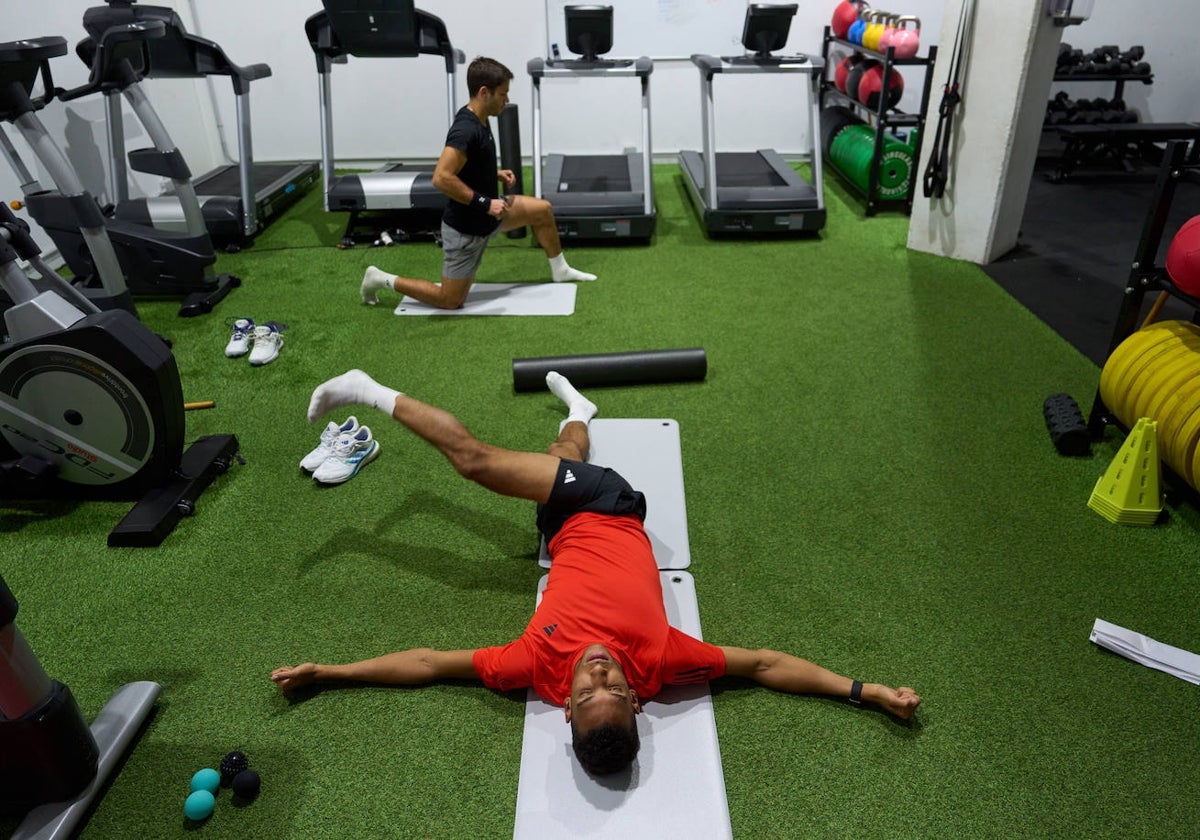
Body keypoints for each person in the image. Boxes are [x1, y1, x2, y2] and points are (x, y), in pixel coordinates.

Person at [271, 369, 921, 776]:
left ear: (567, 709)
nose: (597, 673)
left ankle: (580, 413)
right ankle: (368, 389)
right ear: (638, 699)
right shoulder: (664, 662)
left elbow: (427, 665)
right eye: (612, 687)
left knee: (556, 456)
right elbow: (767, 666)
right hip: (609, 505)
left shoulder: (531, 667)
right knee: (477, 464)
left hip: (560, 532)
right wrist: (866, 691)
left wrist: (329, 674)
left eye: (586, 693)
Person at [360, 56, 596, 311]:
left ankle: (560, 270)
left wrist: (493, 174)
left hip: (492, 214)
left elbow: (468, 164)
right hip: (466, 231)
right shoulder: (465, 129)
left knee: (542, 210)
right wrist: (485, 203)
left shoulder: (483, 118)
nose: (506, 100)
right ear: (484, 92)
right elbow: (441, 177)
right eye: (503, 94)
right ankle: (379, 278)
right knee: (450, 300)